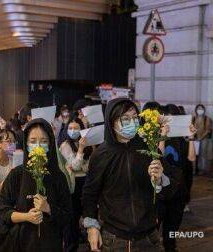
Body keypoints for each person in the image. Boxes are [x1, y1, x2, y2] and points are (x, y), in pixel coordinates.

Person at [82, 98, 178, 251]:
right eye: (125, 119)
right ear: (111, 123)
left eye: (134, 118)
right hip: (114, 237)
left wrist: (160, 180)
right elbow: (90, 193)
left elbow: (171, 190)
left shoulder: (149, 148)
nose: (132, 123)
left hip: (149, 236)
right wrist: (91, 226)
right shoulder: (101, 154)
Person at [0, 118, 72, 252]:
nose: (38, 146)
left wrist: (48, 208)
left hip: (50, 243)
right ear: (26, 144)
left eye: (44, 141)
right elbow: (2, 213)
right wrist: (26, 217)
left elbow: (67, 216)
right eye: (33, 141)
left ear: (51, 144)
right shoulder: (16, 174)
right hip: (19, 243)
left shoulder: (58, 176)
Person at [157, 104, 197, 251]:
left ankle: (170, 247)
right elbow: (158, 156)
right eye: (167, 118)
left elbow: (191, 158)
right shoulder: (157, 135)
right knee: (154, 227)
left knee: (172, 229)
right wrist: (162, 136)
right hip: (160, 191)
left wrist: (191, 138)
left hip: (178, 190)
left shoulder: (182, 138)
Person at [59, 116, 92, 252]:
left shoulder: (87, 143)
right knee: (72, 218)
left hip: (87, 182)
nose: (73, 131)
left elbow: (89, 166)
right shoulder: (65, 145)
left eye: (76, 128)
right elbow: (76, 166)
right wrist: (80, 151)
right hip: (73, 184)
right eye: (70, 128)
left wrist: (80, 162)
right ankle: (71, 247)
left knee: (88, 215)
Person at [193, 104, 212, 175]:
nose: (199, 110)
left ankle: (203, 170)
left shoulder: (207, 118)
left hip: (204, 139)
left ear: (204, 110)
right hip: (195, 139)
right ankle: (195, 169)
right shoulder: (194, 118)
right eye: (198, 109)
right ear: (196, 110)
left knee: (203, 154)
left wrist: (201, 137)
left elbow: (207, 130)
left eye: (201, 109)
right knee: (196, 154)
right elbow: (192, 128)